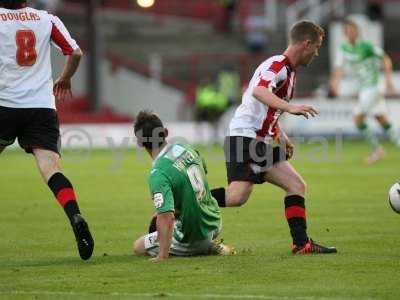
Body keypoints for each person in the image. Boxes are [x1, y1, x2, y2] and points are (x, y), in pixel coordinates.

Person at [210, 20, 337, 254]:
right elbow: (258, 91)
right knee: (237, 196)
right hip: (244, 138)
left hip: (257, 140)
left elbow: (268, 111)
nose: (317, 53)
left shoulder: (289, 72)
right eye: (316, 47)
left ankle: (302, 244)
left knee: (296, 185)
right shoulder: (277, 65)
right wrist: (290, 108)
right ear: (306, 44)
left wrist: (283, 136)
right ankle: (184, 205)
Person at [0, 0, 94, 260]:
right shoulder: (46, 19)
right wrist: (64, 78)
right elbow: (75, 53)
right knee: (51, 170)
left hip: (4, 104)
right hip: (41, 107)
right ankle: (75, 215)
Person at [132, 111, 235, 261]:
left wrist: (162, 256)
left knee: (138, 246)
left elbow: (166, 217)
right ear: (165, 132)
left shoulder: (158, 173)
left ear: (140, 143)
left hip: (195, 234)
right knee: (158, 218)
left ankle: (205, 247)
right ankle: (207, 241)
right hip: (214, 221)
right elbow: (203, 171)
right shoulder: (185, 148)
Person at [330, 18, 399, 164]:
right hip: (363, 89)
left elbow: (385, 59)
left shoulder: (367, 46)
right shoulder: (344, 48)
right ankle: (382, 148)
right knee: (382, 119)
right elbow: (338, 68)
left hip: (374, 87)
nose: (350, 33)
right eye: (347, 30)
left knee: (357, 118)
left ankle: (377, 150)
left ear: (357, 31)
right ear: (345, 33)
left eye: (352, 30)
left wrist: (388, 79)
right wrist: (335, 85)